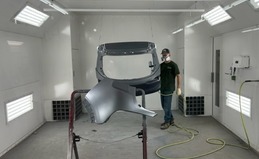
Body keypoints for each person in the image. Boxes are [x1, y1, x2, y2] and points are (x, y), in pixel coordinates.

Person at [160, 48, 181, 130]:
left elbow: (178, 76)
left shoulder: (173, 65)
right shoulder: (161, 65)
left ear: (169, 54)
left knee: (166, 106)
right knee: (164, 106)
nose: (164, 55)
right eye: (163, 54)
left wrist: (179, 87)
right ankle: (171, 119)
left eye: (166, 54)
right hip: (162, 88)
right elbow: (157, 75)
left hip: (169, 89)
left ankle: (167, 121)